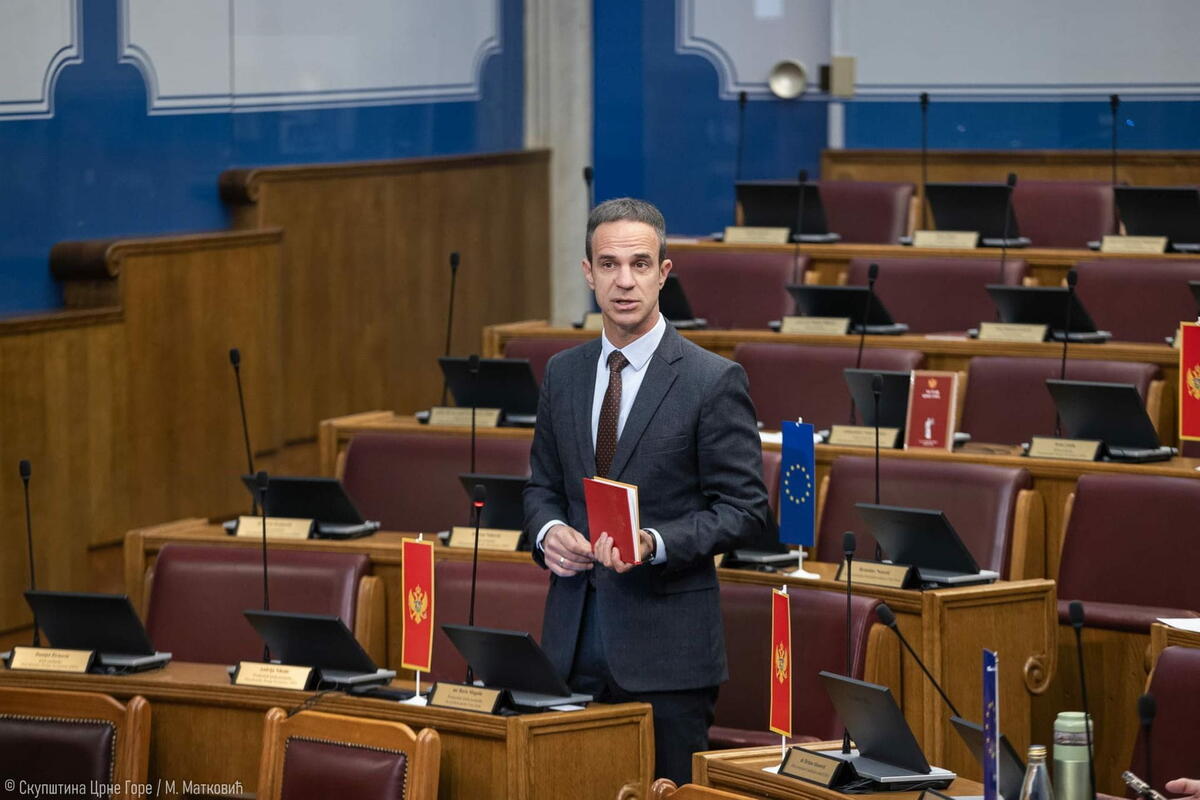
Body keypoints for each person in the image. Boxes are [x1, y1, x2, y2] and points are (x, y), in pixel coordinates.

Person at [523, 197, 774, 784]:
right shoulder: (563, 372)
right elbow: (541, 487)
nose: (624, 281)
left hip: (668, 658)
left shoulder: (712, 380)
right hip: (571, 646)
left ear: (664, 272)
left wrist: (655, 542)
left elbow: (746, 510)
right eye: (608, 265)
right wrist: (548, 531)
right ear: (588, 273)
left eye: (639, 264)